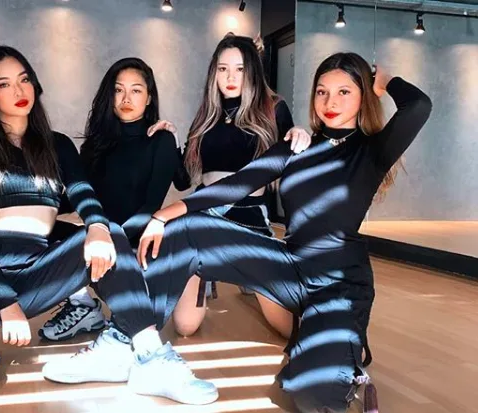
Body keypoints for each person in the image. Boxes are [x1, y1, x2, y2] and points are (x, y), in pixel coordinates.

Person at [136, 52, 432, 412]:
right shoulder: (296, 147)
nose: (330, 102)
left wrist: (383, 81)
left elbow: (418, 106)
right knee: (187, 228)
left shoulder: (372, 150)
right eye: (322, 92)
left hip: (340, 284)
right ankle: (136, 342)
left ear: (363, 97)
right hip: (290, 267)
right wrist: (164, 215)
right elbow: (238, 184)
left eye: (344, 92)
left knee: (310, 393)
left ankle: (335, 361)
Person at [0, 46, 215, 406]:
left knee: (108, 233)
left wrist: (96, 225)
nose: (19, 91)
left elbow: (83, 193)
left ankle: (151, 356)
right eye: (4, 84)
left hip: (36, 272)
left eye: (24, 80)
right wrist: (5, 304)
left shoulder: (58, 145)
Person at [150, 33, 311, 338]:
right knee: (185, 326)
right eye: (223, 69)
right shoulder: (206, 116)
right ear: (214, 73)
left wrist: (298, 132)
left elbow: (291, 161)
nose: (230, 77)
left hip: (249, 216)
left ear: (253, 71)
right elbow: (183, 180)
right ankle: (205, 271)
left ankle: (245, 275)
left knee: (292, 330)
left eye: (239, 69)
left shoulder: (273, 108)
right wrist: (168, 141)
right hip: (202, 216)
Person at [38, 57, 180, 342]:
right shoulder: (95, 144)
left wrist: (112, 241)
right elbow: (79, 198)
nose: (126, 98)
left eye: (136, 90)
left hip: (136, 241)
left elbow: (151, 207)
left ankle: (129, 299)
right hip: (102, 237)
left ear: (149, 98)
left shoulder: (161, 140)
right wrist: (38, 207)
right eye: (118, 90)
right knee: (41, 228)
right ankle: (83, 306)